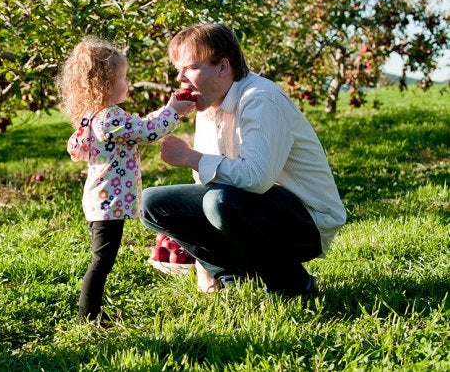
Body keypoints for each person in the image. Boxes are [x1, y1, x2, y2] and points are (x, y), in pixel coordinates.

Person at [141, 23, 347, 297]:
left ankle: (293, 285)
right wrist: (204, 266)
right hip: (255, 209)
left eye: (189, 68)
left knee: (221, 202)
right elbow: (210, 182)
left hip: (307, 220)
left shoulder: (260, 99)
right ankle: (231, 277)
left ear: (223, 67)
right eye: (178, 69)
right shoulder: (209, 106)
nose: (180, 78)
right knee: (151, 203)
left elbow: (256, 178)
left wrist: (190, 157)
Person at [58, 37, 195, 325]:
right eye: (124, 78)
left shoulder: (98, 117)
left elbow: (142, 126)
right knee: (102, 260)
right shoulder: (109, 118)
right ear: (106, 84)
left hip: (103, 202)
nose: (128, 83)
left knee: (103, 258)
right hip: (107, 204)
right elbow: (148, 131)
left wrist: (169, 107)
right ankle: (89, 316)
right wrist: (175, 112)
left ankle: (92, 313)